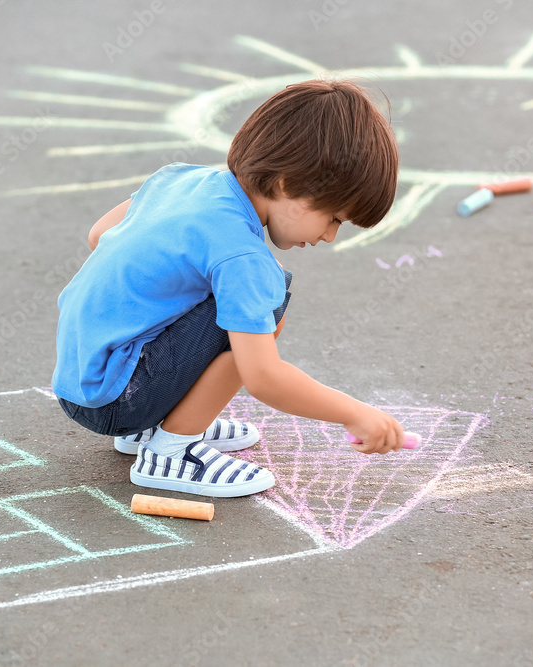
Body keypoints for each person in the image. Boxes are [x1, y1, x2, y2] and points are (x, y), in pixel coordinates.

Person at [52, 78, 405, 498]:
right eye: (333, 218)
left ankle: (165, 419)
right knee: (266, 303)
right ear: (288, 186)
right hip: (118, 401)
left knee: (225, 297)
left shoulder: (181, 180)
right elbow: (264, 377)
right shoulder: (242, 256)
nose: (329, 236)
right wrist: (353, 413)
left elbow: (100, 235)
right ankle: (172, 450)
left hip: (82, 376)